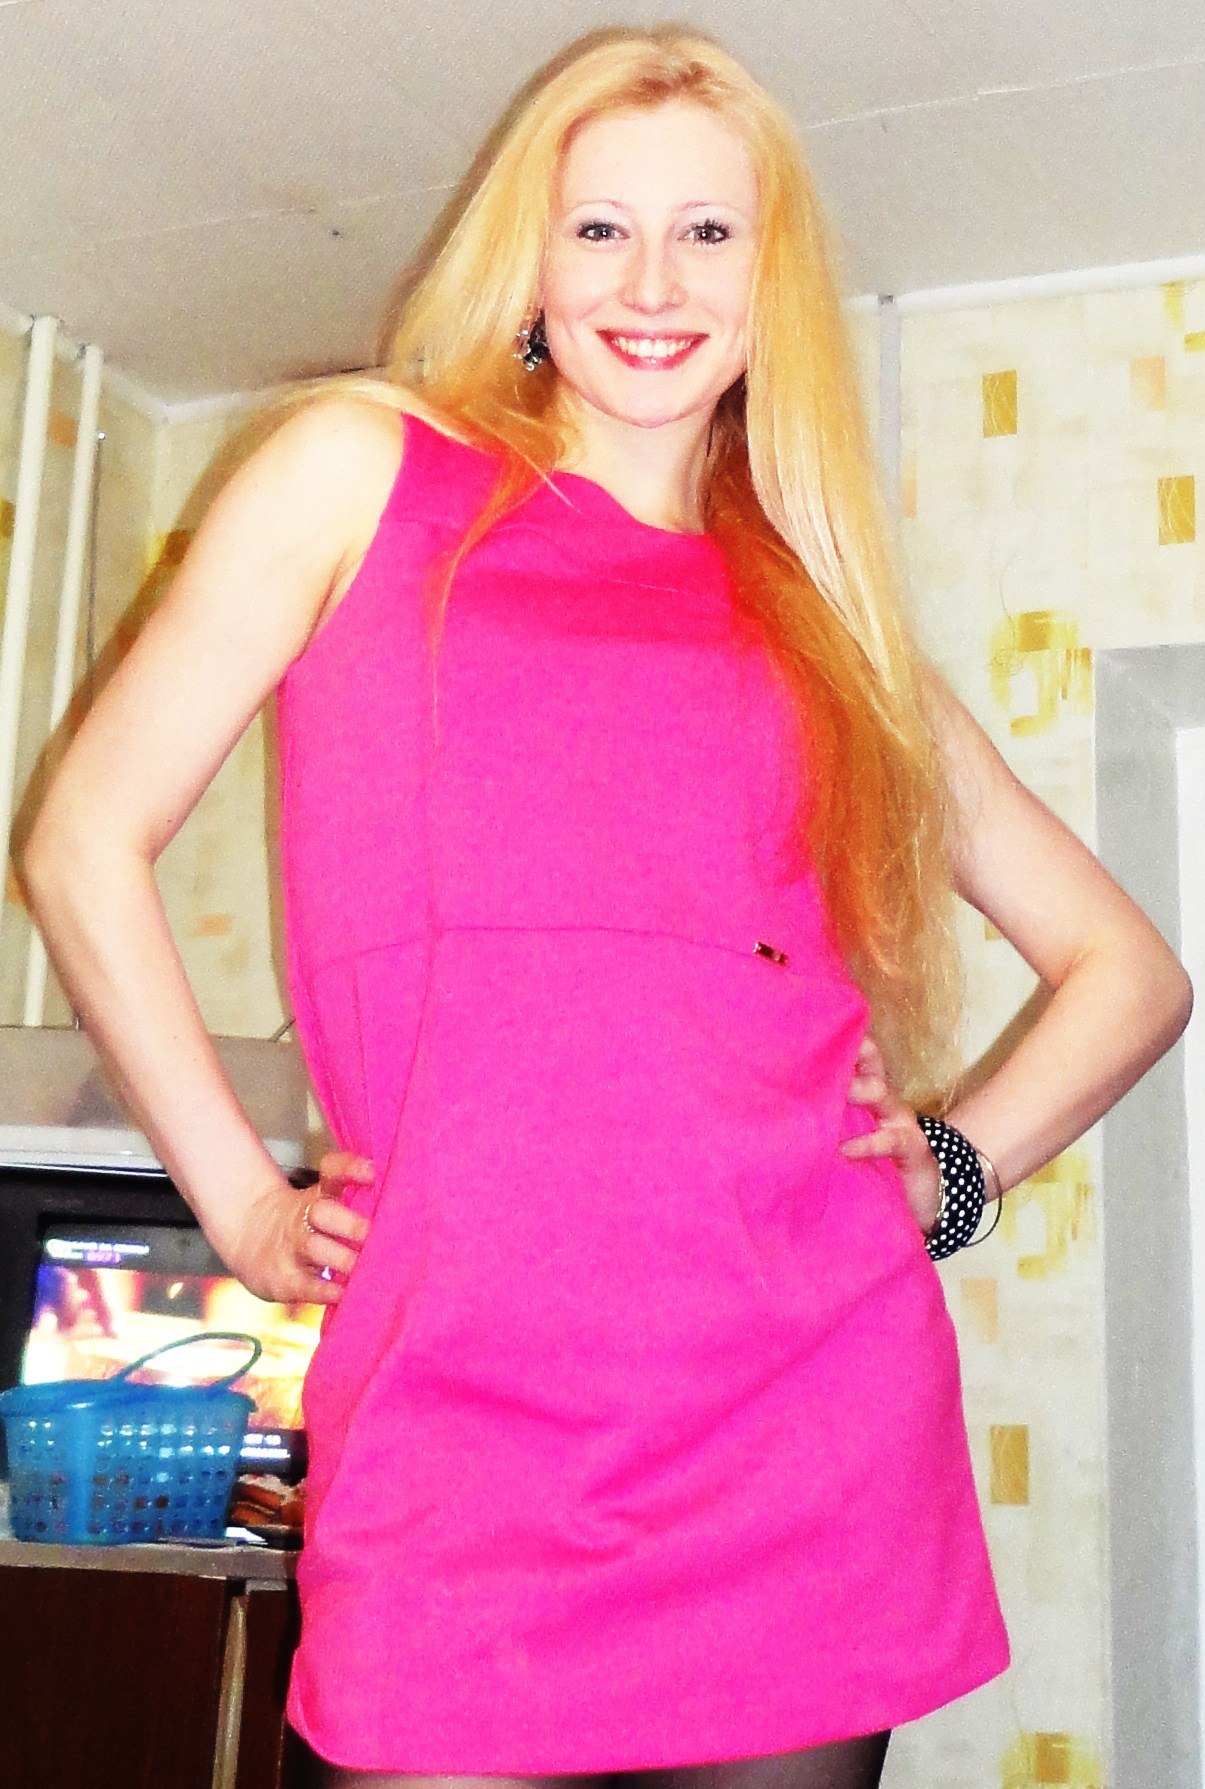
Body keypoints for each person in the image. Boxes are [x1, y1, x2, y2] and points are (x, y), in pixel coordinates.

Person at [21, 25, 1191, 1789]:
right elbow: (82, 837)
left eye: (707, 233)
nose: (652, 282)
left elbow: (1128, 968)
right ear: (530, 262)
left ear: (768, 280)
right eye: (600, 229)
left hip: (800, 1439)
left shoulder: (830, 620)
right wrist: (244, 1201)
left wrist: (953, 1169)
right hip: (453, 1432)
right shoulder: (359, 467)